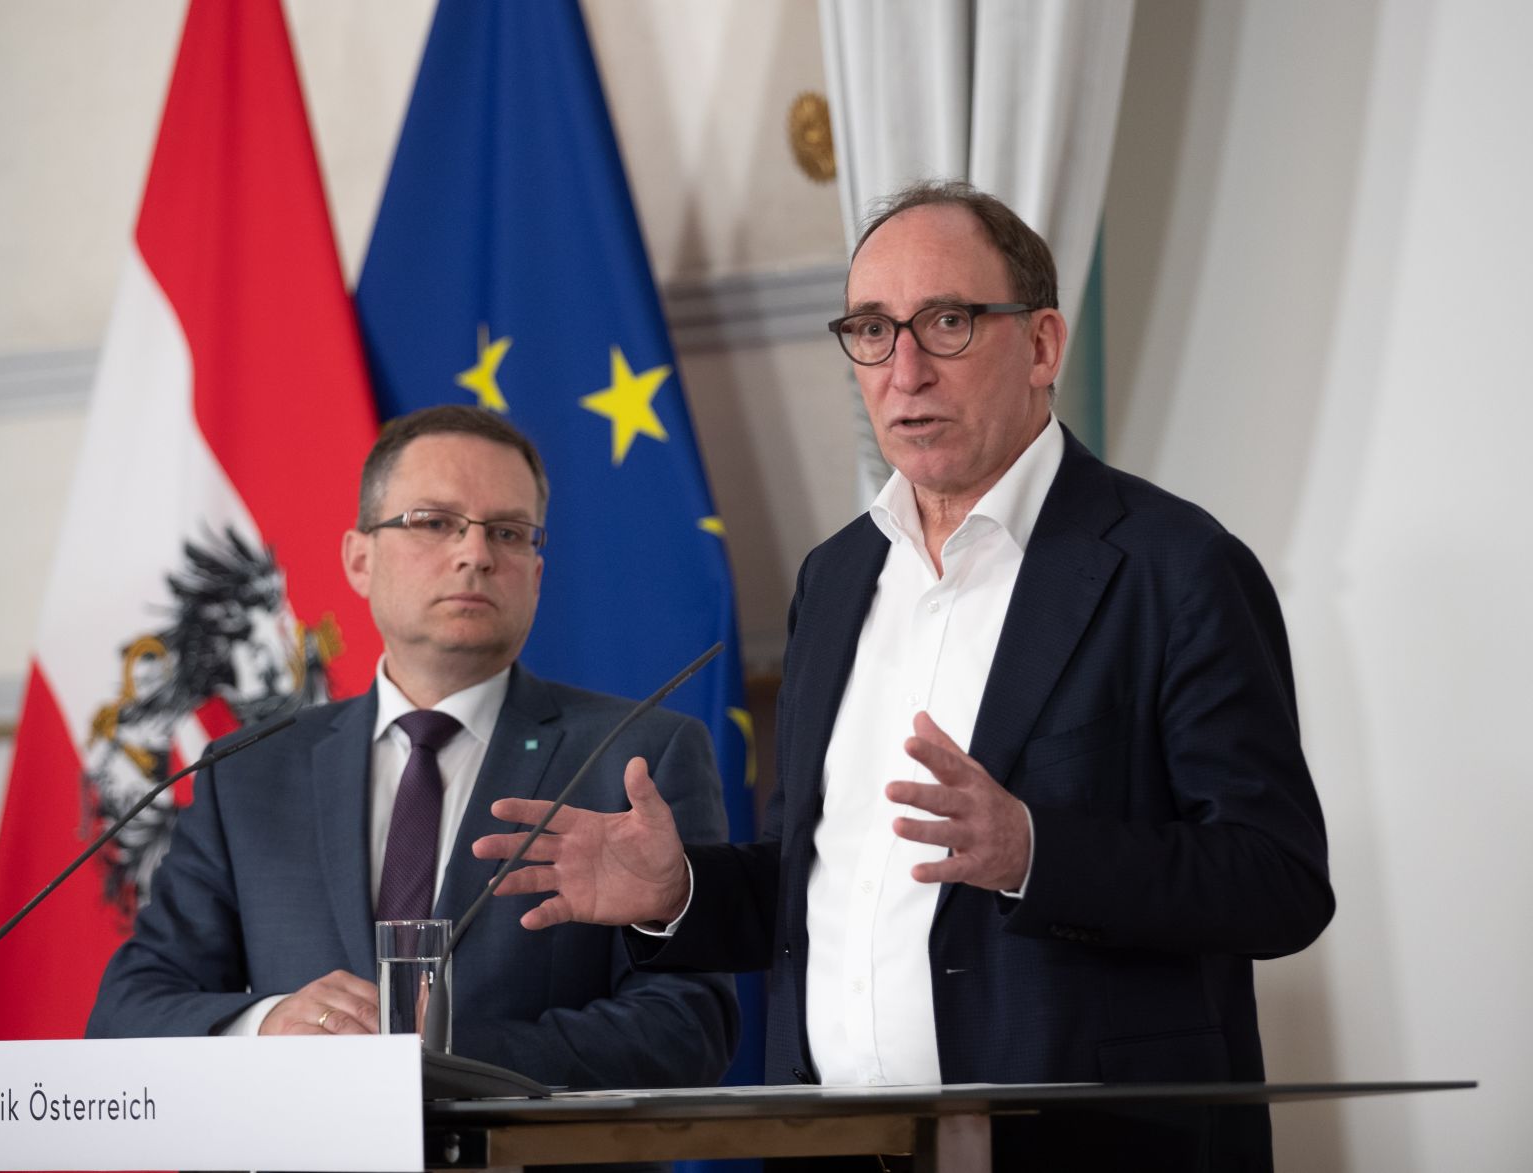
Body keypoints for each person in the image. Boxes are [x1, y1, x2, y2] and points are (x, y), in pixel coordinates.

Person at [475, 180, 1333, 1171]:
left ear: (1042, 344)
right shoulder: (834, 576)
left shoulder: (1171, 568)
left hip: (1089, 1151)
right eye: (872, 331)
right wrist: (680, 892)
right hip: (837, 1149)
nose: (904, 370)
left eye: (948, 322)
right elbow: (827, 880)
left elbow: (1277, 882)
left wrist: (1030, 852)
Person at [87, 406, 738, 1104]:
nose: (475, 553)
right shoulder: (246, 772)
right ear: (359, 560)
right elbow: (128, 1011)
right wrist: (265, 1025)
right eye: (434, 522)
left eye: (508, 532)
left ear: (537, 574)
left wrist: (445, 1055)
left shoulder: (639, 757)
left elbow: (689, 1024)